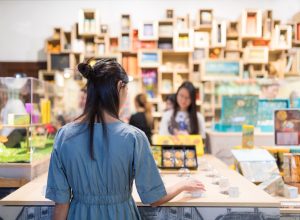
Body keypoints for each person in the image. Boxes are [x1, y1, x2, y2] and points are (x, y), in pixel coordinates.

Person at [45, 58, 205, 220]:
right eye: (126, 90)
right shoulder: (134, 137)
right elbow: (154, 197)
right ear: (119, 86)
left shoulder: (64, 136)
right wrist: (182, 184)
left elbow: (61, 204)